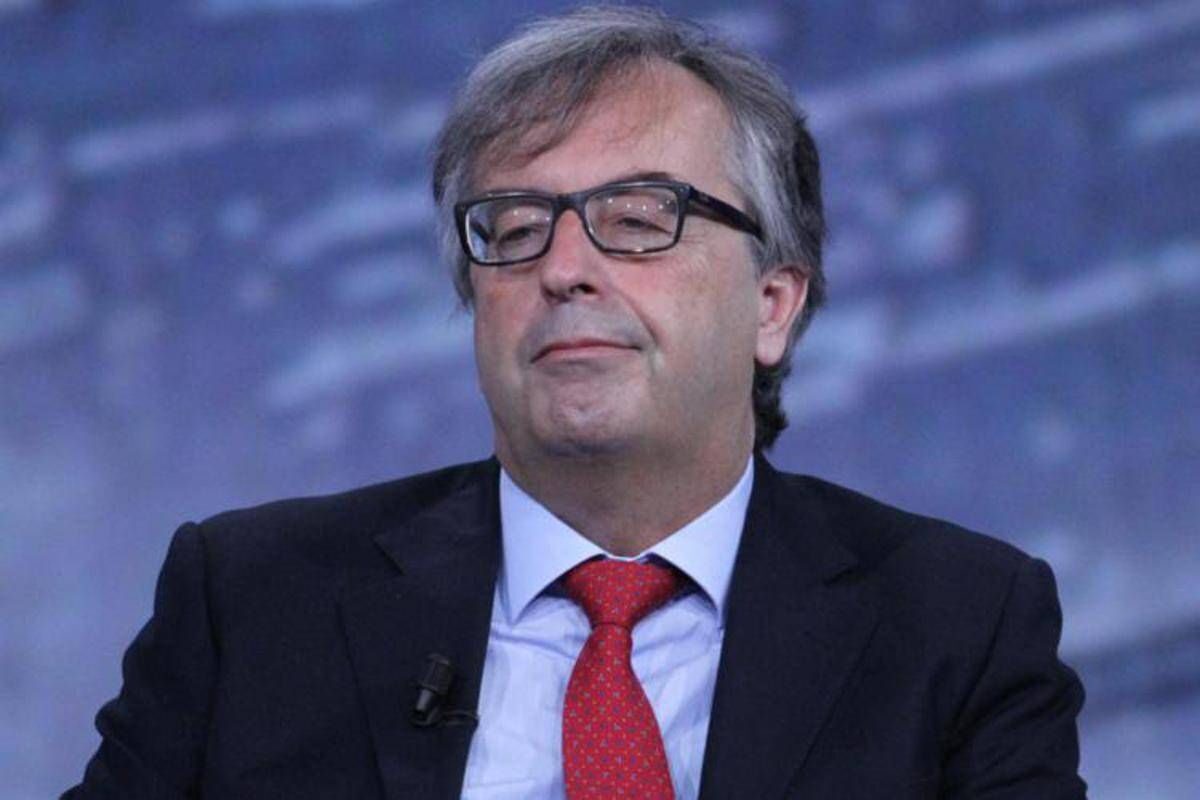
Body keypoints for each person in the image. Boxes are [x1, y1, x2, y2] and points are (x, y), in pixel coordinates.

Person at [64, 6, 1086, 799]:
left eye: (638, 219)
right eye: (513, 229)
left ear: (773, 305)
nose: (563, 269)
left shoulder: (958, 625)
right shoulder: (253, 602)